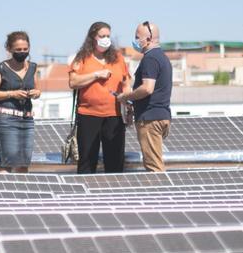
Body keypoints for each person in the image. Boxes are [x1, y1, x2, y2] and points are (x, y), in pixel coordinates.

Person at [68, 21, 131, 174]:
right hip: (88, 116)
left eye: (108, 36)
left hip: (114, 116)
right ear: (93, 37)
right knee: (87, 161)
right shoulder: (81, 58)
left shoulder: (117, 58)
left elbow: (126, 82)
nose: (106, 39)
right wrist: (95, 75)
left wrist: (128, 104)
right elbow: (73, 82)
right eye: (102, 36)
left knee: (115, 161)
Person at [117, 21, 172, 172]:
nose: (135, 41)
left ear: (149, 38)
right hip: (161, 115)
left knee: (154, 167)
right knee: (155, 163)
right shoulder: (162, 57)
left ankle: (161, 194)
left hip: (150, 119)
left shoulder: (150, 58)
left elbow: (147, 88)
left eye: (137, 37)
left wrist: (126, 96)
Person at [0, 31, 40, 172]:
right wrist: (12, 94)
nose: (22, 52)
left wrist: (36, 93)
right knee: (7, 162)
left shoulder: (32, 67)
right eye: (18, 50)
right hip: (7, 120)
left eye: (25, 49)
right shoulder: (1, 69)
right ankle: (3, 192)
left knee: (23, 163)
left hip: (27, 119)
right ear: (9, 49)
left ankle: (22, 192)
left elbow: (36, 88)